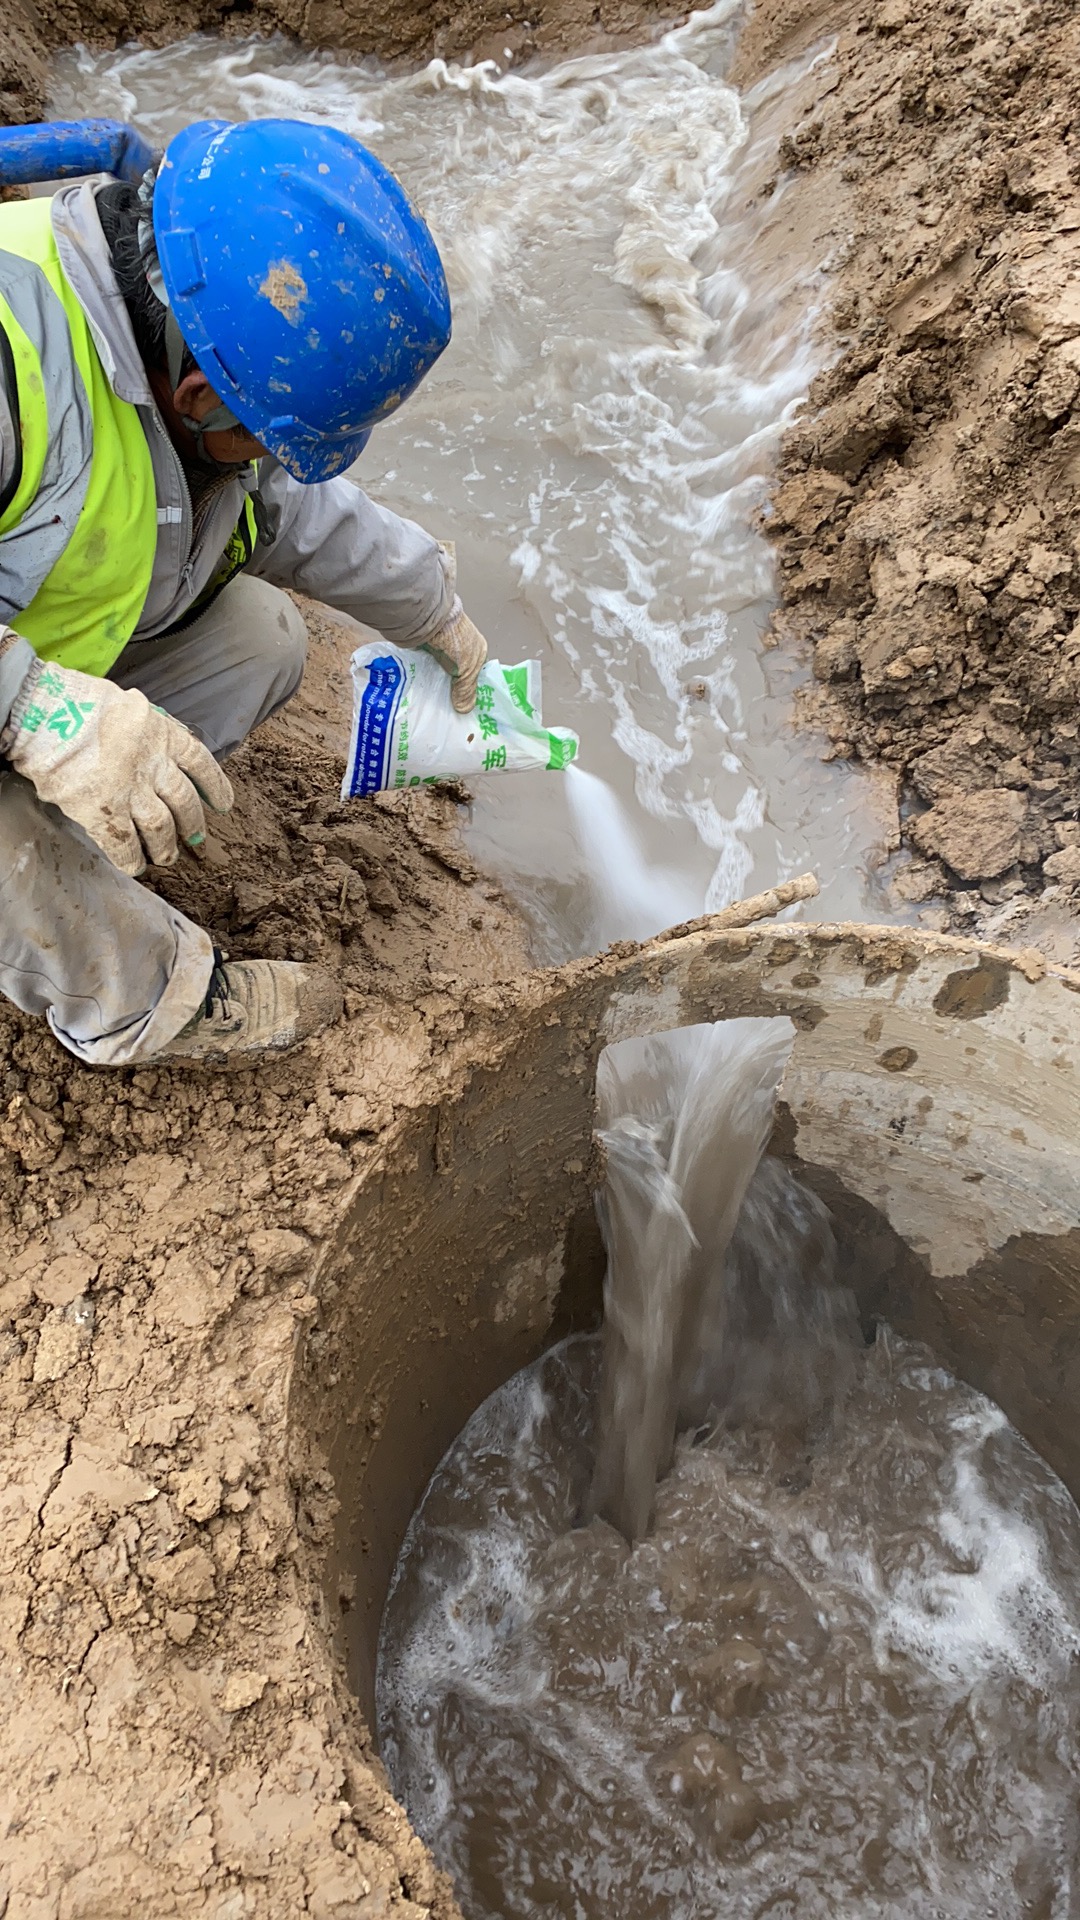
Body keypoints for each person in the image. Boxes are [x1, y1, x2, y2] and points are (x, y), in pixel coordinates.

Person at [0, 115, 490, 1067]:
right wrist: (34, 710)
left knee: (261, 634)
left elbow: (295, 516)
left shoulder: (191, 338)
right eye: (267, 435)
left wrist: (437, 610)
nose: (275, 463)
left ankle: (65, 857)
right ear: (196, 400)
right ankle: (139, 1000)